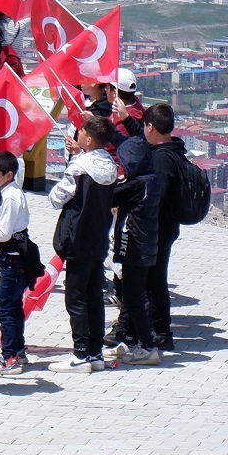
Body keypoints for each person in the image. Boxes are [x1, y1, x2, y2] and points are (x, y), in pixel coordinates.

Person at [48, 116, 118, 374]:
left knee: (75, 298)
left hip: (76, 238)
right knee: (93, 296)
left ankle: (80, 355)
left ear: (88, 139)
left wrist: (74, 159)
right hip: (99, 238)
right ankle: (95, 352)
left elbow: (57, 198)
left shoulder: (79, 167)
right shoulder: (110, 166)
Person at [104, 134, 162, 367]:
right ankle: (131, 341)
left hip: (135, 247)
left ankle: (148, 347)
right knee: (131, 296)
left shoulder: (136, 184)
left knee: (135, 299)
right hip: (145, 246)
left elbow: (109, 196)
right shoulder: (151, 180)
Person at [141, 104, 185, 351]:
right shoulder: (174, 149)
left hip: (157, 228)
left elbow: (155, 195)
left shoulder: (161, 159)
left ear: (150, 127)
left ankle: (160, 332)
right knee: (155, 279)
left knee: (154, 281)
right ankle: (157, 329)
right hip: (167, 227)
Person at [0, 151, 30, 376]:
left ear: (9, 174)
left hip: (13, 259)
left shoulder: (12, 197)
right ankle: (17, 350)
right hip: (11, 257)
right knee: (13, 307)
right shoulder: (5, 192)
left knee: (5, 308)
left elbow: (3, 233)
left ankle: (10, 356)